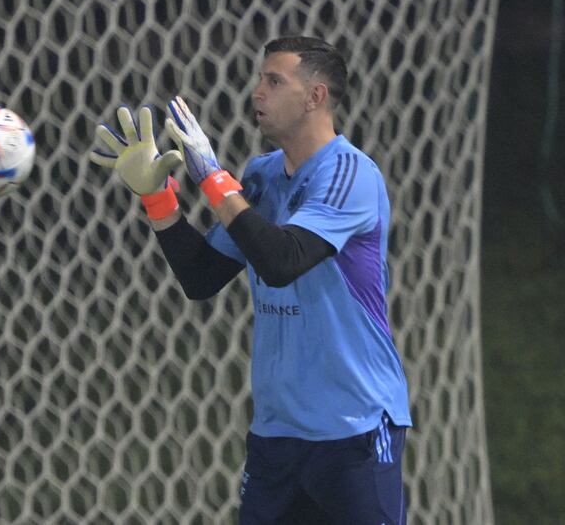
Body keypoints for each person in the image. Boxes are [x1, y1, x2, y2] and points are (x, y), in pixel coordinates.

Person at [90, 36, 412, 525]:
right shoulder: (262, 176)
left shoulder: (350, 174)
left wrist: (212, 177)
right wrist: (157, 197)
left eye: (274, 81)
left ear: (315, 97)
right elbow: (201, 277)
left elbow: (283, 261)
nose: (257, 91)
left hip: (354, 433)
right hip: (276, 438)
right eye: (260, 78)